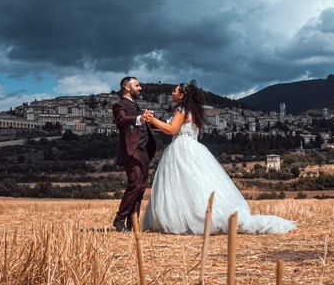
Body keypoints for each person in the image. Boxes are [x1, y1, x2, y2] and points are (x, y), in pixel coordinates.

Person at [141, 80, 296, 234]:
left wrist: (152, 119)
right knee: (196, 184)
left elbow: (173, 129)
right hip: (192, 148)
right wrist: (153, 122)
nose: (172, 93)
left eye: (175, 91)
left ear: (182, 95)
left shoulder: (181, 110)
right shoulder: (193, 111)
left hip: (181, 148)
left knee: (182, 184)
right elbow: (172, 128)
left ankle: (185, 220)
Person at [112, 76, 156, 232]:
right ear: (127, 88)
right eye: (137, 85)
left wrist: (148, 120)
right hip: (131, 151)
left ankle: (133, 223)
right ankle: (119, 220)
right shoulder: (119, 104)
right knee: (135, 184)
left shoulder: (135, 104)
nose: (140, 88)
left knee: (142, 187)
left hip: (144, 151)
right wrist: (139, 118)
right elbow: (122, 120)